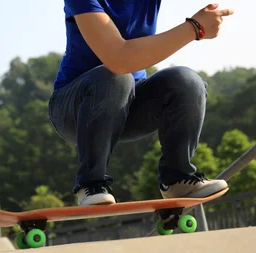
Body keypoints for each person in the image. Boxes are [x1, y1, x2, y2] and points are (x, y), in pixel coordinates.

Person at [48, 1, 234, 206]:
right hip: (75, 109)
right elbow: (118, 58)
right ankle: (91, 184)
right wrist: (194, 28)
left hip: (130, 106)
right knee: (117, 76)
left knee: (187, 81)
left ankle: (178, 179)